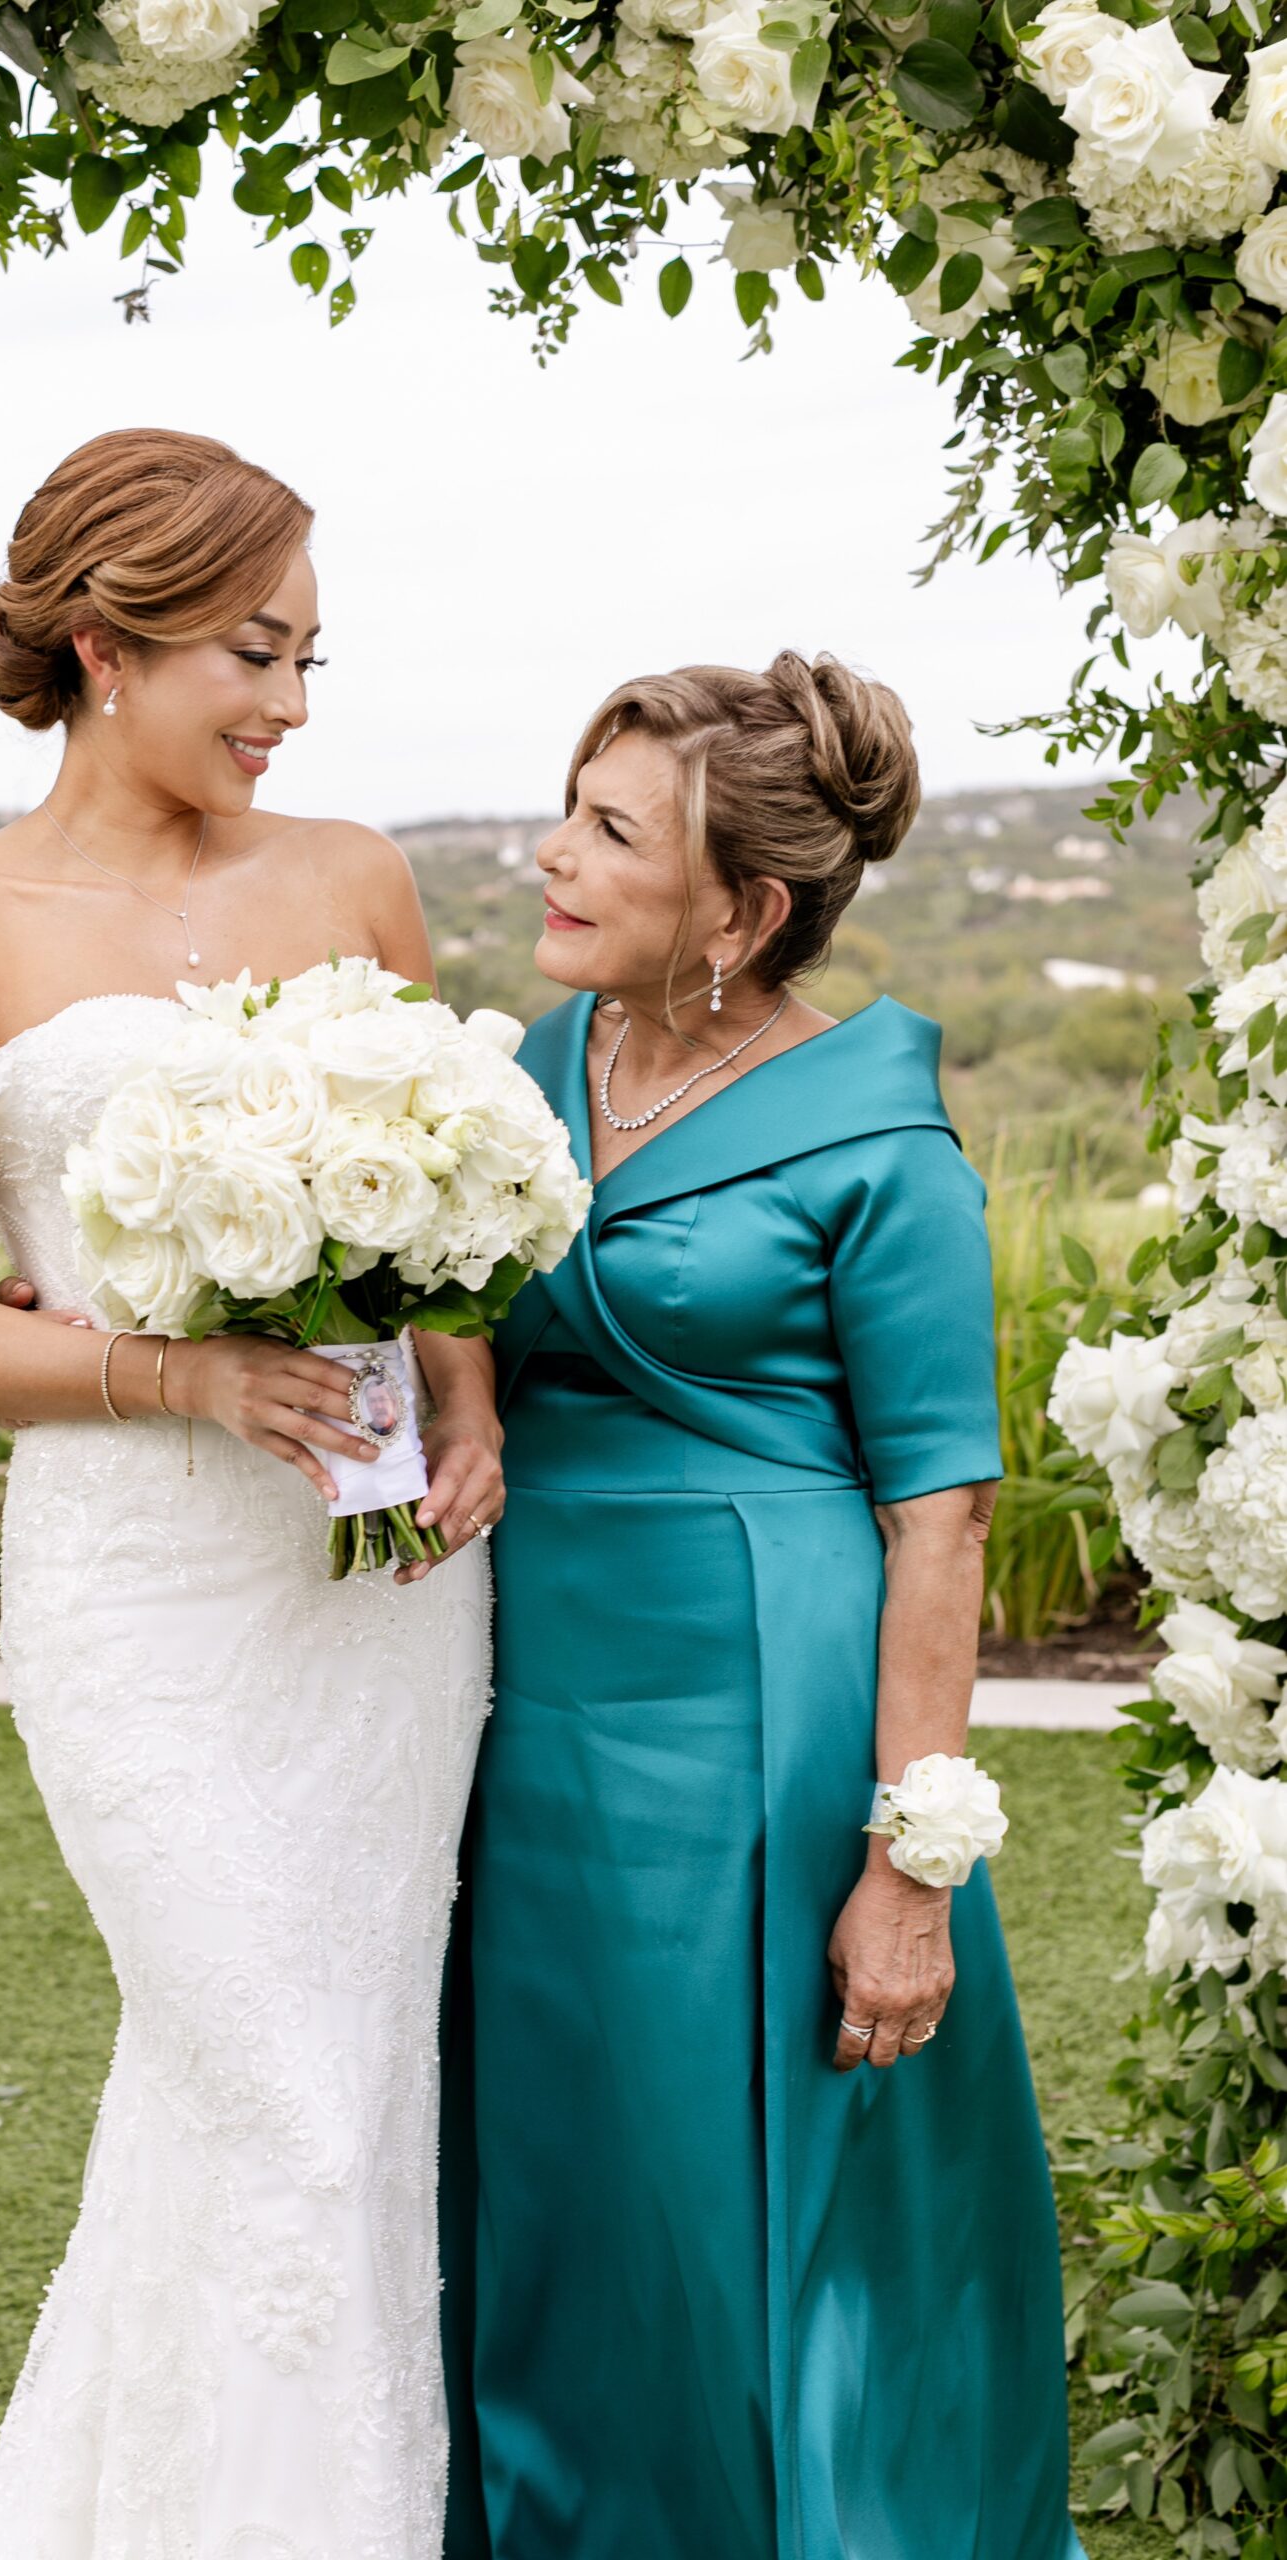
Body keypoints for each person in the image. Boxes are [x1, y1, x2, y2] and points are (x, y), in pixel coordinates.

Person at [0, 428, 503, 2560]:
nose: (290, 705)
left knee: (328, 2094)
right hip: (143, 1593)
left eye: (309, 657)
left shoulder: (354, 871)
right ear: (107, 639)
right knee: (270, 2094)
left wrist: (467, 1399)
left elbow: (452, 1203)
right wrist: (179, 1371)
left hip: (370, 1580)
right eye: (252, 651)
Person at [438, 655, 1085, 2560]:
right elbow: (460, 1305)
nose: (551, 851)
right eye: (569, 802)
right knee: (575, 2183)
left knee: (740, 2203)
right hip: (533, 1706)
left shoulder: (882, 1143)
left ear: (743, 909)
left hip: (762, 1717)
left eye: (611, 831)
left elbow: (945, 1518)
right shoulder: (533, 1073)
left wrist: (908, 1866)